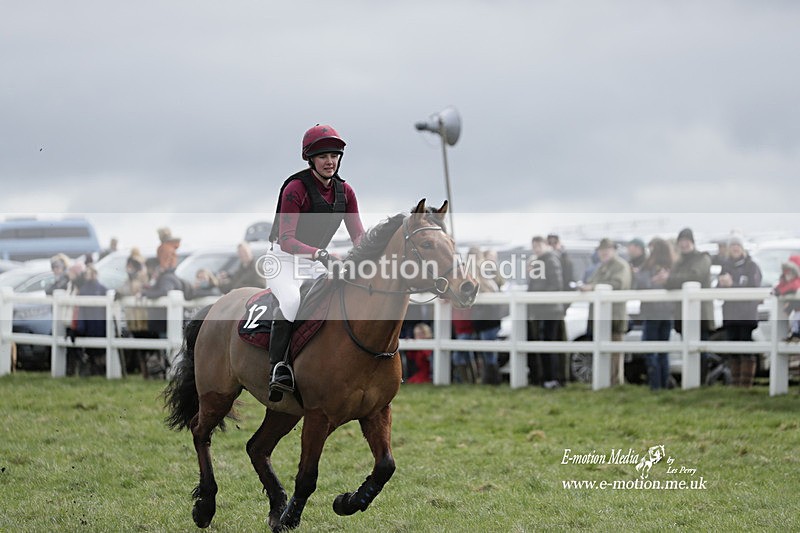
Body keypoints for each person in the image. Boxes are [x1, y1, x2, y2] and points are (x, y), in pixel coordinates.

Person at [265, 124, 366, 396]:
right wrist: (321, 254)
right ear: (311, 159)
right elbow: (287, 239)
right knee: (291, 300)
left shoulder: (347, 193)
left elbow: (359, 237)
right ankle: (279, 368)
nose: (330, 161)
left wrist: (367, 260)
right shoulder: (295, 189)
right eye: (323, 156)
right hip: (283, 260)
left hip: (314, 262)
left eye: (334, 155)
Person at [663, 227, 714, 382]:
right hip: (683, 313)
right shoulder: (679, 262)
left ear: (692, 242)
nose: (684, 244)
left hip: (700, 314)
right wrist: (671, 280)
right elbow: (669, 283)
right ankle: (690, 380)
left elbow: (695, 277)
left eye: (686, 241)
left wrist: (671, 279)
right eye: (681, 241)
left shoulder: (702, 258)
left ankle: (701, 381)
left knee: (700, 349)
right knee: (687, 347)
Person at [580, 238, 632, 385]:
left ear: (614, 250)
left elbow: (618, 284)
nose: (603, 253)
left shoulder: (621, 266)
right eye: (601, 250)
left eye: (607, 249)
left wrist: (593, 287)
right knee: (601, 350)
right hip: (599, 316)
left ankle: (615, 383)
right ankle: (602, 381)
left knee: (614, 352)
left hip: (614, 315)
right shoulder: (600, 267)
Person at [718, 235, 762, 387]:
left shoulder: (751, 266)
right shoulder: (725, 266)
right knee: (732, 349)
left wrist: (733, 285)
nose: (735, 248)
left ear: (742, 248)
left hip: (746, 315)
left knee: (746, 349)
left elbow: (754, 290)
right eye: (732, 245)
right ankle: (735, 384)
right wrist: (721, 285)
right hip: (730, 315)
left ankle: (745, 384)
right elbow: (718, 292)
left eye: (737, 245)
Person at [635, 238, 674, 390]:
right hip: (667, 312)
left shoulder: (650, 266)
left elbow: (644, 285)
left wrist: (637, 275)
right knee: (663, 351)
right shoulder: (672, 265)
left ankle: (655, 386)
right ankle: (663, 384)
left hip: (652, 312)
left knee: (650, 350)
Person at [527, 236, 565, 389]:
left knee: (549, 343)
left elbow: (556, 285)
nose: (536, 249)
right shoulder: (539, 261)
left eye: (538, 245)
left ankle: (552, 378)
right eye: (534, 246)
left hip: (550, 309)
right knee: (543, 344)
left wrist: (537, 297)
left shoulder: (550, 260)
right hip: (541, 309)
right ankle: (545, 377)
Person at [115, 249, 152, 377]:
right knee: (139, 345)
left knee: (146, 344)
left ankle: (148, 371)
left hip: (142, 317)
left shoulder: (142, 277)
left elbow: (135, 288)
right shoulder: (130, 279)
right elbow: (125, 288)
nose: (129, 268)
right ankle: (144, 371)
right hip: (133, 318)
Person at [471, 249, 504, 385]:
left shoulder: (488, 277)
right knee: (487, 350)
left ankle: (492, 378)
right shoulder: (487, 277)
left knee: (488, 350)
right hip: (486, 318)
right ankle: (491, 378)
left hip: (488, 318)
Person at [72, 265, 108, 376]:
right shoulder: (85, 290)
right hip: (91, 324)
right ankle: (94, 369)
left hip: (98, 324)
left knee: (98, 350)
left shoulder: (101, 289)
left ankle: (98, 369)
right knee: (93, 350)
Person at [773, 255, 800, 342]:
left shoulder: (796, 281)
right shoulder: (786, 279)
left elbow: (793, 287)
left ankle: (796, 334)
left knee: (796, 318)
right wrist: (776, 290)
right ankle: (794, 334)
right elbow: (781, 285)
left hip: (796, 306)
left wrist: (780, 291)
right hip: (794, 306)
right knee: (793, 318)